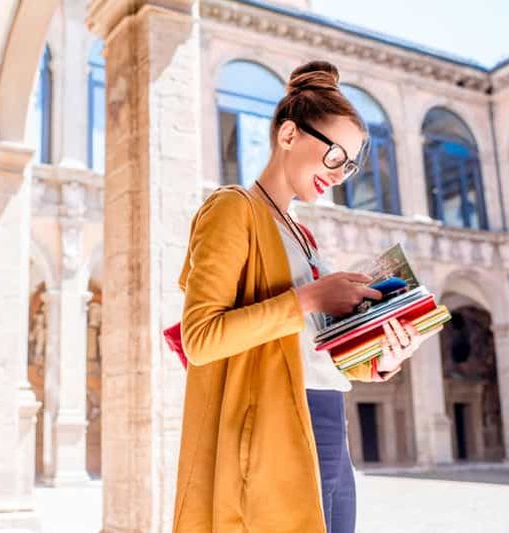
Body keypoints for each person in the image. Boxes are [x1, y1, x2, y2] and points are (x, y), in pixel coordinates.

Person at [172, 60, 442, 533]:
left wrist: (382, 358)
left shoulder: (305, 237)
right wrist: (312, 298)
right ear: (289, 135)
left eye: (351, 165)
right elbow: (201, 338)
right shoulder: (232, 209)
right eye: (335, 155)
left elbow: (314, 353)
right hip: (274, 425)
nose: (341, 175)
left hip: (327, 418)